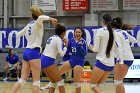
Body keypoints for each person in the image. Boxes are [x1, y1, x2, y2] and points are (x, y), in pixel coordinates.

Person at [11, 5, 57, 93]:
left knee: (23, 79)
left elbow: (17, 35)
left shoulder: (28, 25)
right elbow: (41, 18)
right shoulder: (38, 23)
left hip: (26, 52)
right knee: (36, 81)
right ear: (39, 14)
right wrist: (51, 18)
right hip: (34, 52)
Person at [89, 14, 116, 93]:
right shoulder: (114, 31)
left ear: (103, 21)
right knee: (99, 85)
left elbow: (95, 49)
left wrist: (90, 47)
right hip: (111, 63)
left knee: (93, 85)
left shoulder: (100, 31)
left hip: (102, 61)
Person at [111, 17, 137, 93]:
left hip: (123, 58)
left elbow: (119, 48)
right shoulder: (124, 32)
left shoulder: (114, 33)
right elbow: (134, 40)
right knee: (119, 81)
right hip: (129, 57)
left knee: (117, 82)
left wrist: (121, 62)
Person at [58, 27, 87, 93]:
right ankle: (49, 85)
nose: (77, 33)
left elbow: (85, 53)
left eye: (79, 32)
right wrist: (65, 43)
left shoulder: (83, 41)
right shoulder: (71, 40)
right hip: (71, 61)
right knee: (57, 73)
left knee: (76, 83)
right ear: (74, 33)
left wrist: (80, 47)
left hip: (79, 63)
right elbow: (69, 50)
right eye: (76, 32)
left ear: (81, 33)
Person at [41, 24, 68, 93]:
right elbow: (62, 54)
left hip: (42, 59)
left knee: (53, 82)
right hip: (48, 61)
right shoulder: (58, 40)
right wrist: (66, 46)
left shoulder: (52, 37)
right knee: (60, 81)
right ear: (63, 33)